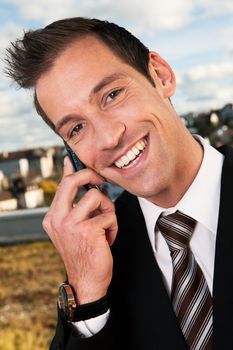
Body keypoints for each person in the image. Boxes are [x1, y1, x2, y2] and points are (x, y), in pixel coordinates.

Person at [5, 17, 233, 350]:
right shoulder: (103, 253)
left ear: (160, 76)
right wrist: (86, 296)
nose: (109, 138)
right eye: (76, 129)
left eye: (112, 95)